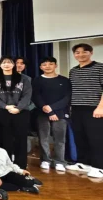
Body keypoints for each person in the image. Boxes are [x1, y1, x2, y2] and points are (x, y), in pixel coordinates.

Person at [0, 56, 32, 169]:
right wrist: (6, 106)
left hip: (21, 112)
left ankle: (21, 165)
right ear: (0, 65)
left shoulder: (24, 79)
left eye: (9, 62)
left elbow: (27, 95)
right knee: (4, 138)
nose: (6, 64)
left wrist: (18, 108)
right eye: (4, 62)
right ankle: (5, 164)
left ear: (13, 65)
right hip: (2, 111)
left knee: (20, 138)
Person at [67, 43, 103, 178]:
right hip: (76, 108)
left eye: (84, 52)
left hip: (94, 109)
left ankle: (99, 167)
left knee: (96, 138)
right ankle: (84, 163)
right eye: (77, 52)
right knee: (80, 137)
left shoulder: (100, 67)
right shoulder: (73, 70)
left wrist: (101, 107)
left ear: (91, 53)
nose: (80, 55)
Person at [32, 56, 71, 172]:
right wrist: (48, 110)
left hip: (60, 113)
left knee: (60, 139)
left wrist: (52, 109)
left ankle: (60, 161)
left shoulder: (64, 80)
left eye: (50, 64)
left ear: (55, 65)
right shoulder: (37, 80)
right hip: (42, 112)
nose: (47, 66)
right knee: (43, 138)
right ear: (40, 67)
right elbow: (36, 96)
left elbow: (67, 98)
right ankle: (45, 160)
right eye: (44, 64)